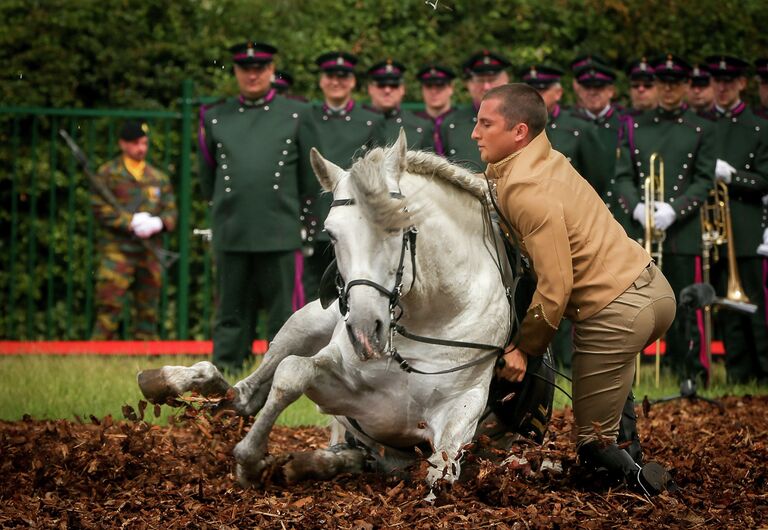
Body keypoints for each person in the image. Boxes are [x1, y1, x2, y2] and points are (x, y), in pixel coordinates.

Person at [474, 83, 677, 495]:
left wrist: (523, 349)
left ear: (519, 132)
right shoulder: (544, 158)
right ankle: (629, 447)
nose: (474, 133)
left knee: (590, 445)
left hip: (617, 310)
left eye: (485, 123)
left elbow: (555, 287)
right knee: (608, 383)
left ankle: (647, 484)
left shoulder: (527, 190)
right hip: (653, 290)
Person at [198, 41, 320, 373]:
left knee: (284, 314)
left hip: (279, 229)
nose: (252, 75)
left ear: (270, 70)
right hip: (233, 228)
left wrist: (302, 221)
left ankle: (281, 372)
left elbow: (309, 177)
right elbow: (207, 176)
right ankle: (225, 372)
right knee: (230, 312)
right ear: (236, 72)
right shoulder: (215, 116)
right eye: (245, 69)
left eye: (260, 69)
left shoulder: (297, 114)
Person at [613, 55, 715, 382]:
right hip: (643, 230)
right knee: (641, 301)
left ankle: (689, 371)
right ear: (656, 86)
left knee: (686, 301)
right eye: (663, 84)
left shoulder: (702, 128)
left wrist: (676, 208)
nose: (669, 90)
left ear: (686, 86)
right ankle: (632, 372)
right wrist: (637, 208)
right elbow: (623, 177)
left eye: (676, 84)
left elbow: (704, 179)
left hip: (682, 229)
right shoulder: (633, 126)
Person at [520, 62, 606, 372]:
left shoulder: (579, 128)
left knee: (568, 292)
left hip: (570, 225)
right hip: (527, 225)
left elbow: (598, 178)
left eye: (544, 89)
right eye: (532, 89)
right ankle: (540, 360)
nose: (538, 95)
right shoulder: (518, 127)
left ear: (559, 91)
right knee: (533, 289)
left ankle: (571, 363)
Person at [704, 54, 768, 384]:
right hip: (714, 231)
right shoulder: (702, 124)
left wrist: (732, 177)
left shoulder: (759, 127)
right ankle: (736, 372)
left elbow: (764, 179)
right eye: (717, 81)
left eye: (729, 81)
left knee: (755, 305)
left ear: (742, 84)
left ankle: (763, 369)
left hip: (745, 227)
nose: (723, 87)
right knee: (725, 306)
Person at [303, 51, 382, 300]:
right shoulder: (306, 118)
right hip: (315, 220)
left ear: (352, 82)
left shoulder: (371, 121)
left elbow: (377, 176)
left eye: (343, 76)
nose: (336, 81)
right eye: (330, 75)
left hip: (355, 222)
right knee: (312, 300)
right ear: (321, 80)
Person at [91, 120, 177, 340]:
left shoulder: (158, 177)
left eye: (145, 143)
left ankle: (145, 356)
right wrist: (129, 222)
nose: (141, 148)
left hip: (149, 252)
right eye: (136, 143)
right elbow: (99, 209)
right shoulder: (108, 173)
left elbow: (171, 213)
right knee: (109, 307)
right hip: (117, 252)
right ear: (123, 144)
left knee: (148, 310)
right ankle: (96, 355)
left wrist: (158, 223)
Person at [441, 50, 510, 169]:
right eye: (480, 80)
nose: (486, 86)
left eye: (492, 80)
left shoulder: (521, 118)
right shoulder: (450, 123)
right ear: (469, 84)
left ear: (506, 81)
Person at [364, 59, 431, 149]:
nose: (387, 90)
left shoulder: (421, 127)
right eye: (381, 85)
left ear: (402, 89)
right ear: (370, 89)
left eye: (394, 85)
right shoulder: (357, 121)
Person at [414, 63, 457, 156]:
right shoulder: (413, 122)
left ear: (451, 88)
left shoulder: (461, 120)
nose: (434, 91)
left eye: (440, 86)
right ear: (422, 89)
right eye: (428, 86)